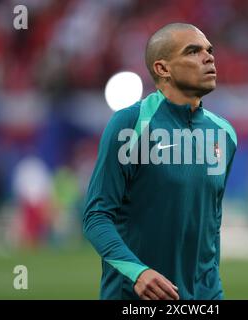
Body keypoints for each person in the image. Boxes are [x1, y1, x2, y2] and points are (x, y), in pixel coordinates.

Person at [83, 23, 237, 300]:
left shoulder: (224, 134)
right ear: (162, 69)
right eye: (193, 51)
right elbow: (97, 216)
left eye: (209, 50)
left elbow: (211, 224)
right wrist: (137, 272)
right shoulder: (130, 125)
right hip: (135, 295)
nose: (208, 57)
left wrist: (212, 291)